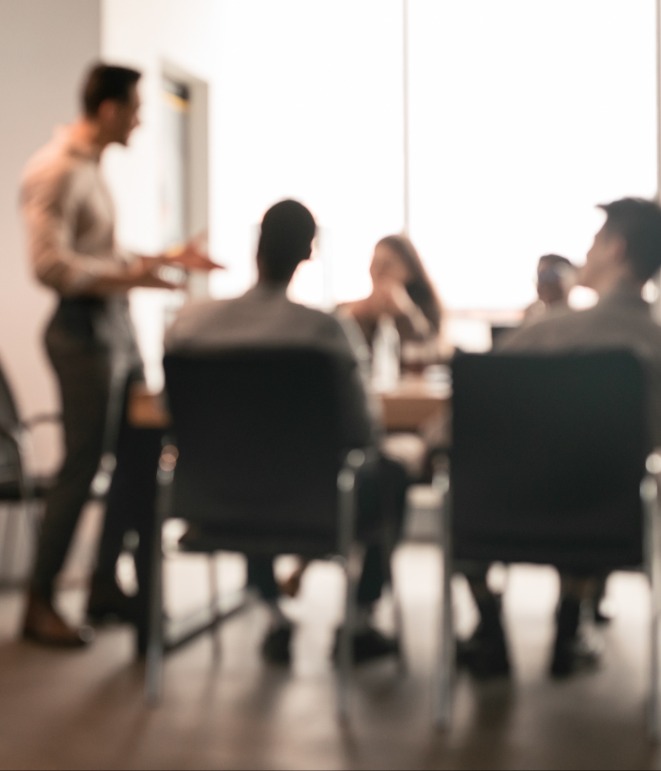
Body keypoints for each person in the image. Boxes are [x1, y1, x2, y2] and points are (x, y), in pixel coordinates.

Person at [19, 61, 218, 648]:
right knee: (82, 467)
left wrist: (161, 262)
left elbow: (100, 252)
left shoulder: (90, 170)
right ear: (108, 108)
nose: (139, 120)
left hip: (114, 331)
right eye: (134, 108)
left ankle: (106, 582)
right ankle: (38, 600)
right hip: (82, 335)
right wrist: (135, 276)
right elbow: (50, 267)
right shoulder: (54, 172)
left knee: (140, 453)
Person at [165, 199, 409, 665]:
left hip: (214, 502)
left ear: (256, 248)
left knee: (250, 466)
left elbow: (172, 415)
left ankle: (273, 612)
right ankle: (358, 623)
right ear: (307, 253)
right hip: (315, 505)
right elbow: (362, 431)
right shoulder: (324, 332)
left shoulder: (191, 326)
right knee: (391, 473)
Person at [458, 197, 661, 679]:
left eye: (594, 242)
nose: (585, 254)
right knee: (600, 477)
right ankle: (571, 623)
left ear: (616, 248)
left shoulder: (544, 333)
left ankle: (489, 624)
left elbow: (458, 423)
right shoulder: (654, 345)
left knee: (456, 473)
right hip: (608, 523)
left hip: (497, 517)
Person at [339, 234, 444, 372]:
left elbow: (432, 356)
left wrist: (405, 315)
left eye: (387, 264)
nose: (378, 271)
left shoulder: (426, 310)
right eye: (374, 263)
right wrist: (355, 320)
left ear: (409, 271)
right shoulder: (352, 310)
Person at [522, 253, 577, 323]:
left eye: (551, 275)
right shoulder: (533, 320)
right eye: (540, 276)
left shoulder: (581, 321)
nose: (544, 283)